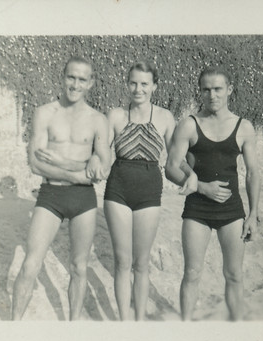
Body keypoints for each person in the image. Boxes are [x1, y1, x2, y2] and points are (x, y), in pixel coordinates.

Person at [11, 56, 111, 321]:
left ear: (91, 83)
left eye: (82, 79)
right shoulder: (45, 113)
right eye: (71, 77)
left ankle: (72, 329)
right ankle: (12, 330)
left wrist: (86, 164)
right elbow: (35, 164)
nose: (75, 84)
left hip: (83, 200)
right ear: (63, 77)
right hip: (51, 195)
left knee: (79, 267)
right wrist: (79, 173)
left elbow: (103, 169)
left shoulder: (98, 120)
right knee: (30, 264)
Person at [165, 66, 261, 321]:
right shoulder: (189, 124)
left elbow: (252, 173)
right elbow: (171, 168)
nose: (212, 95)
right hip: (197, 209)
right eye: (206, 89)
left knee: (234, 274)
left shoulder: (244, 127)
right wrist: (202, 187)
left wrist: (253, 215)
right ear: (200, 91)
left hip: (231, 211)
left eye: (218, 88)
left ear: (229, 90)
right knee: (192, 273)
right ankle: (185, 330)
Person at [104, 61, 177, 321]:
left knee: (142, 263)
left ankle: (139, 322)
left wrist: (193, 179)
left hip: (149, 192)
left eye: (145, 84)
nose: (138, 89)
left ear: (154, 86)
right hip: (118, 190)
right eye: (133, 82)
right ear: (127, 83)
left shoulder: (165, 117)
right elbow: (101, 155)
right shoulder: (115, 116)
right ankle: (125, 323)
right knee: (123, 262)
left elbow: (177, 160)